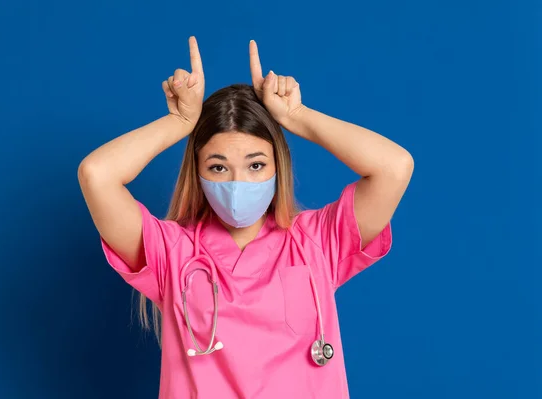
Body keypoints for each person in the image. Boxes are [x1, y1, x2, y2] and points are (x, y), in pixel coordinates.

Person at [78, 36, 413, 399]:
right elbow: (97, 174)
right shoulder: (170, 253)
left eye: (255, 165)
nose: (238, 182)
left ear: (277, 167)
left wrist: (297, 117)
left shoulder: (317, 241)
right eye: (218, 167)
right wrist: (179, 121)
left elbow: (394, 167)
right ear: (198, 172)